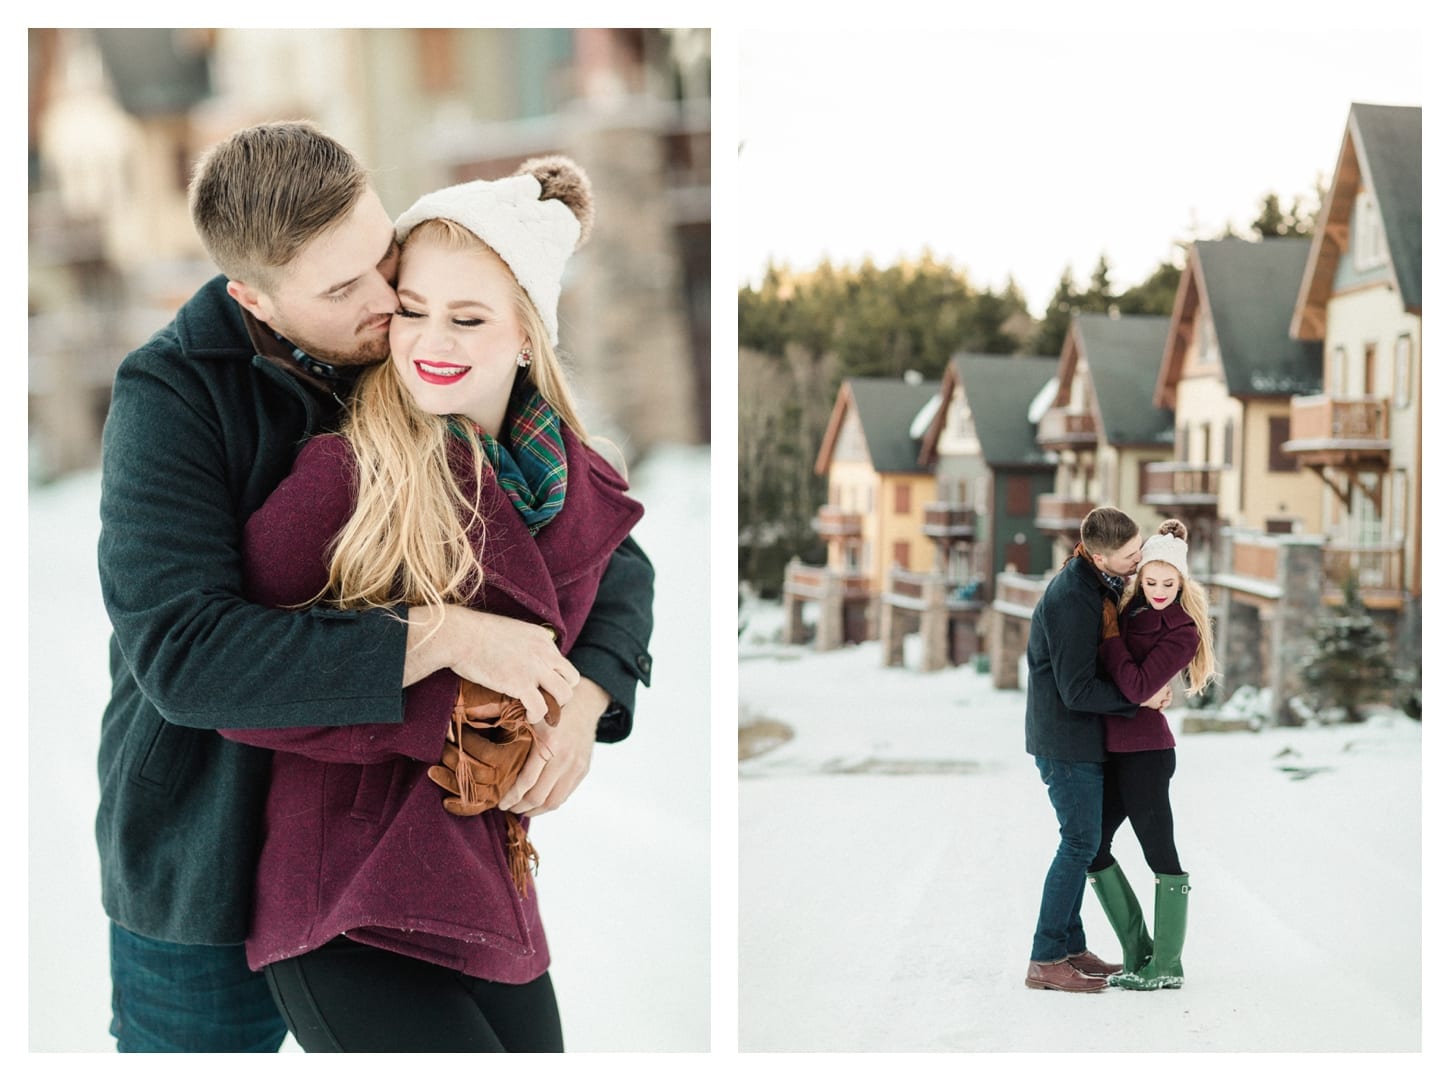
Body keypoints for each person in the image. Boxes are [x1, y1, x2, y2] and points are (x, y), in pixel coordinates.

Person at [96, 122, 655, 1052]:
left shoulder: (410, 352)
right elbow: (186, 653)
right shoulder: (171, 398)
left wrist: (590, 687)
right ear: (256, 300)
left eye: (380, 252)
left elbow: (603, 545)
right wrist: (444, 635)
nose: (390, 296)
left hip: (387, 833)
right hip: (206, 841)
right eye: (342, 287)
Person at [1023, 506, 1172, 993]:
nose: (1139, 560)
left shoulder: (1096, 581)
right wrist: (1140, 697)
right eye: (1131, 555)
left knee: (1085, 842)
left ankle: (1069, 946)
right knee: (1081, 843)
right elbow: (1076, 691)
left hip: (1082, 739)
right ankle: (1046, 958)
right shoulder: (1072, 598)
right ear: (1101, 555)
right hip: (1066, 741)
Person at [1087, 518, 1214, 991]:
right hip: (1114, 749)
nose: (1159, 590)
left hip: (1146, 752)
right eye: (1152, 580)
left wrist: (1111, 639)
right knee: (1093, 848)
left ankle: (1167, 964)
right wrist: (1161, 540)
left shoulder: (1182, 630)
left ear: (1183, 584)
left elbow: (1138, 684)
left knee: (1159, 851)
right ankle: (1139, 952)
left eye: (1169, 583)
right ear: (1139, 578)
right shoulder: (1130, 607)